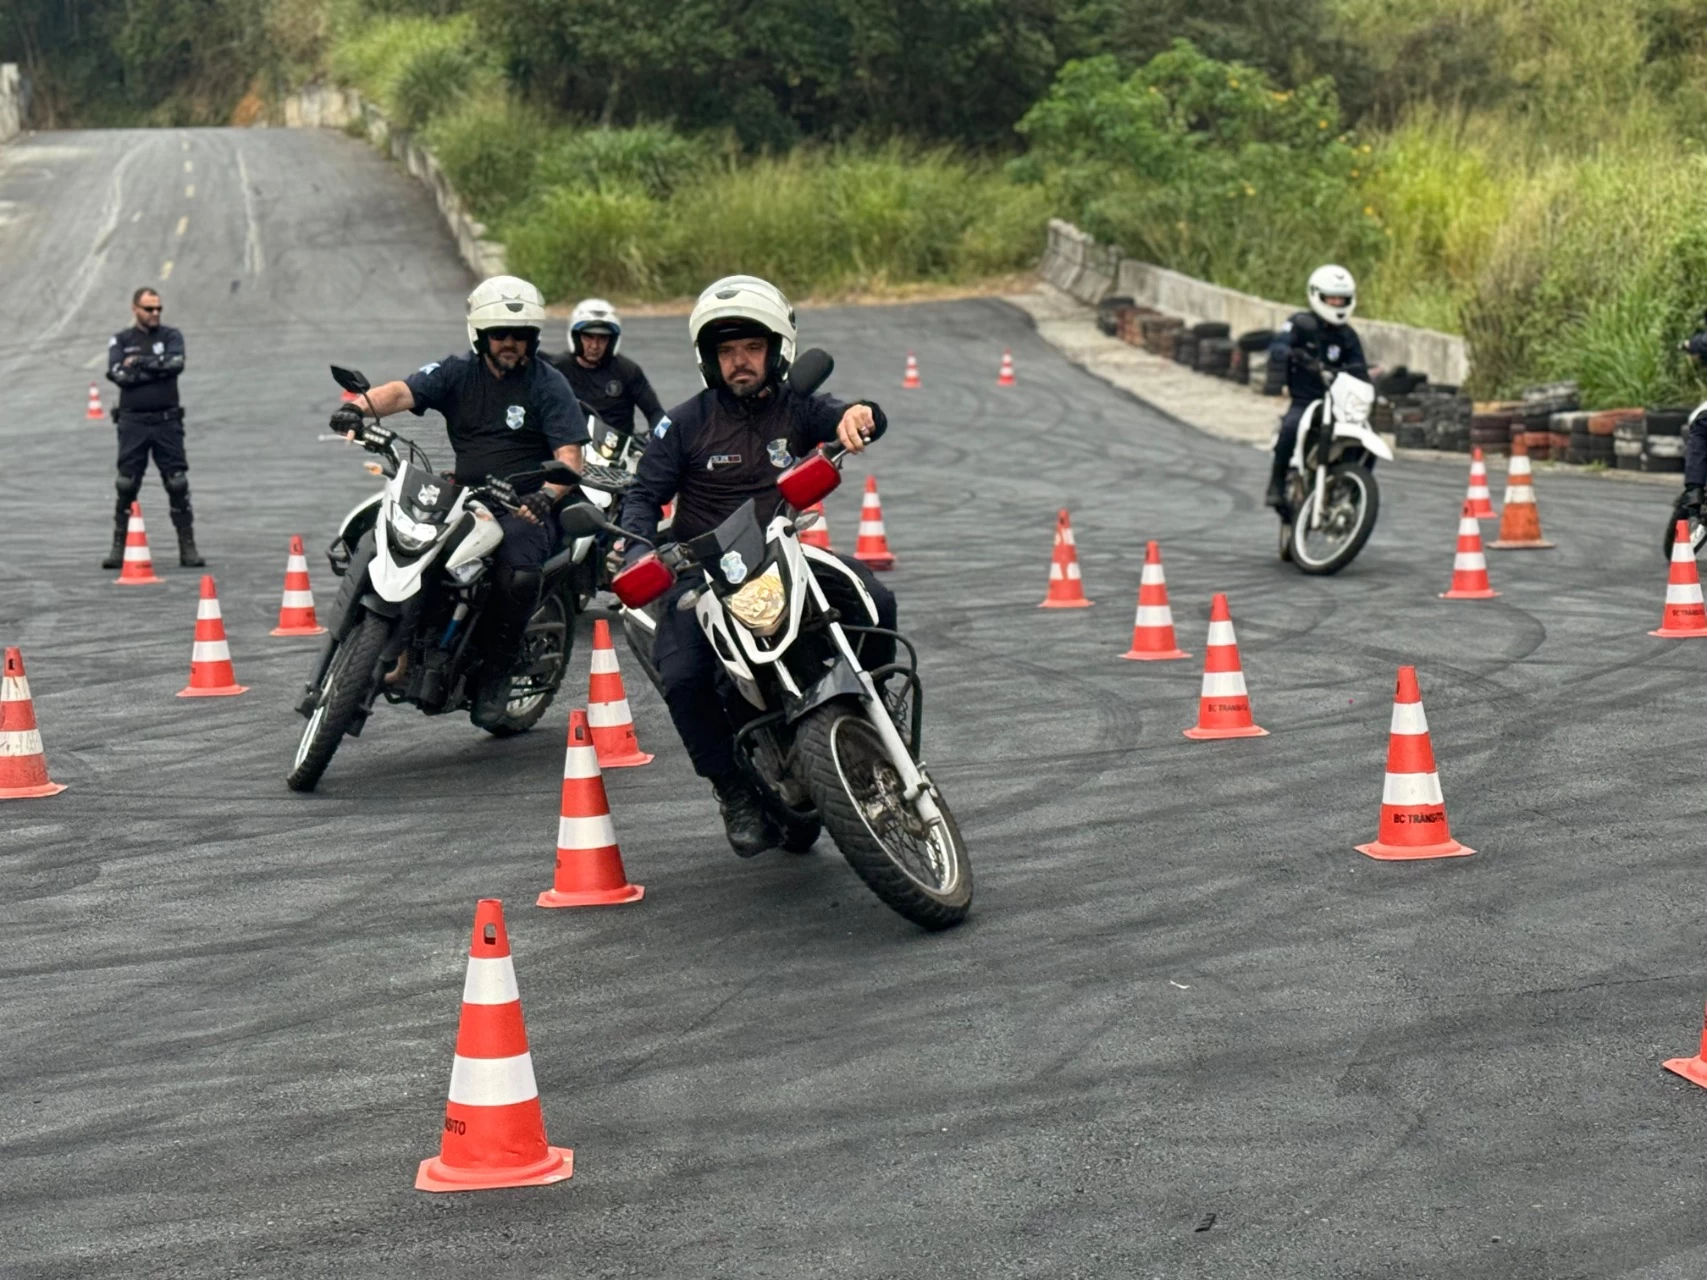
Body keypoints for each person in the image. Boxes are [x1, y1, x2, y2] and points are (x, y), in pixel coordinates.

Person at [617, 275, 896, 857]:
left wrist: (862, 415)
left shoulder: (797, 406)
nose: (739, 362)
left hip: (783, 550)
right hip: (704, 571)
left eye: (750, 348)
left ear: (776, 351)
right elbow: (642, 496)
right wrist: (639, 547)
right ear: (708, 359)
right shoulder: (685, 423)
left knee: (874, 599)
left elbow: (849, 414)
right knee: (685, 678)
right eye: (726, 352)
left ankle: (874, 713)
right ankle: (732, 789)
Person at [328, 275, 589, 727]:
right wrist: (359, 408)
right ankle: (398, 646)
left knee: (517, 570)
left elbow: (571, 457)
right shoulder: (456, 372)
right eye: (500, 335)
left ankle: (496, 674)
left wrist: (547, 496)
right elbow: (403, 391)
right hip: (467, 496)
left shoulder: (548, 384)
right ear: (481, 336)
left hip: (525, 505)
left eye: (520, 336)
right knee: (398, 531)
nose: (510, 343)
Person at [103, 287, 203, 568]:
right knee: (126, 483)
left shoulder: (171, 336)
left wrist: (140, 364)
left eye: (158, 308)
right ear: (135, 309)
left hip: (166, 421)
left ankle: (188, 546)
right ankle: (118, 547)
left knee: (177, 482)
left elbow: (176, 364)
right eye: (149, 309)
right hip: (133, 421)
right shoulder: (121, 339)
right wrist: (156, 369)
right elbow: (118, 374)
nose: (155, 313)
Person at [1264, 265, 1369, 511]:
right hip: (1307, 399)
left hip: (1340, 402)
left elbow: (1360, 368)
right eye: (1331, 298)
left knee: (1367, 439)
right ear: (1317, 295)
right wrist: (1289, 354)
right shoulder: (1299, 324)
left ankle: (1353, 491)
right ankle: (1276, 484)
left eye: (1341, 299)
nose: (1336, 303)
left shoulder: (1348, 336)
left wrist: (1368, 383)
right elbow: (1278, 345)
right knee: (1290, 427)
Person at [547, 298, 667, 447]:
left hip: (618, 455)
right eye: (588, 337)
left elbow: (658, 414)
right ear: (576, 337)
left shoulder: (628, 371)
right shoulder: (555, 368)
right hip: (570, 450)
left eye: (602, 338)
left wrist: (660, 439)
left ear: (612, 341)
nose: (594, 346)